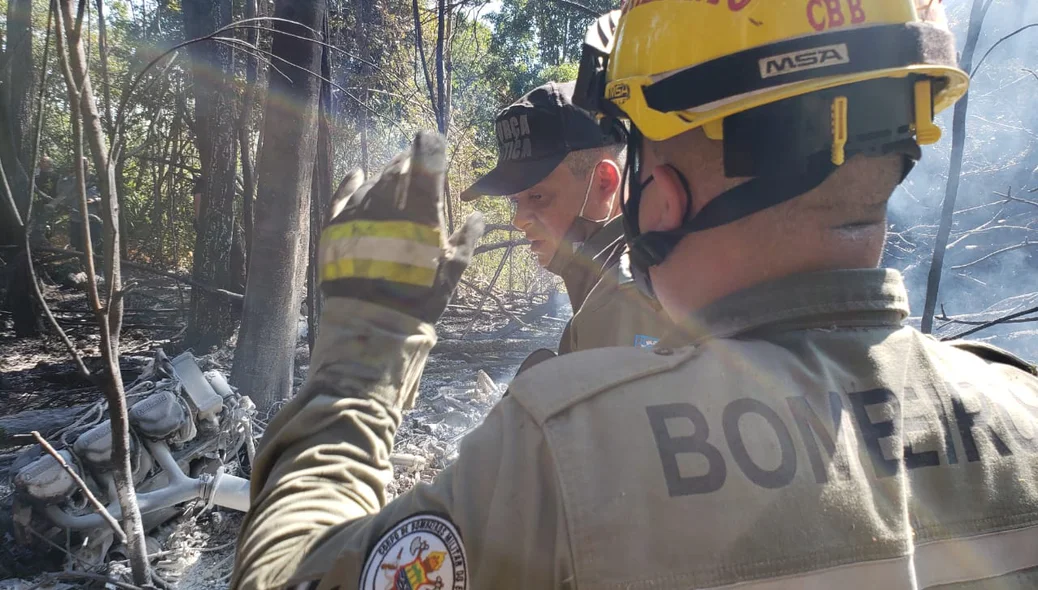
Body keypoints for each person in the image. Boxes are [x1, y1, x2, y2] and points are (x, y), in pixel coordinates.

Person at [232, 2, 1038, 589]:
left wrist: (361, 362)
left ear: (658, 193)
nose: (522, 219)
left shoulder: (563, 455)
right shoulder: (1023, 407)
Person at [461, 81, 670, 354]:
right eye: (515, 201)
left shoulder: (622, 300)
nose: (518, 220)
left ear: (604, 183)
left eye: (538, 197)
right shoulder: (615, 274)